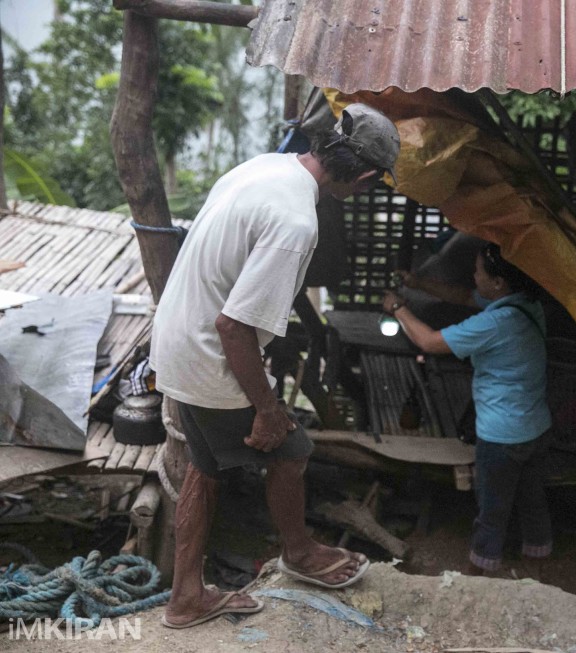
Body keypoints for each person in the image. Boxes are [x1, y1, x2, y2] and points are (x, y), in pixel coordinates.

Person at [150, 104, 400, 628]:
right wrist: (266, 407)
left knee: (206, 464)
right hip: (206, 351)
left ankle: (185, 596)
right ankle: (299, 552)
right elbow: (233, 327)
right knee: (290, 449)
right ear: (368, 175)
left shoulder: (263, 167)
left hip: (173, 338)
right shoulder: (296, 221)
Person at [382, 243, 553, 574]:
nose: (473, 276)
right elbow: (463, 297)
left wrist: (398, 307)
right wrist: (418, 283)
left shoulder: (496, 323)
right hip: (536, 426)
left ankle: (479, 575)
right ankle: (538, 567)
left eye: (478, 272)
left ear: (499, 282)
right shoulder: (528, 306)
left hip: (502, 435)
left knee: (492, 509)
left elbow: (429, 342)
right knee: (533, 500)